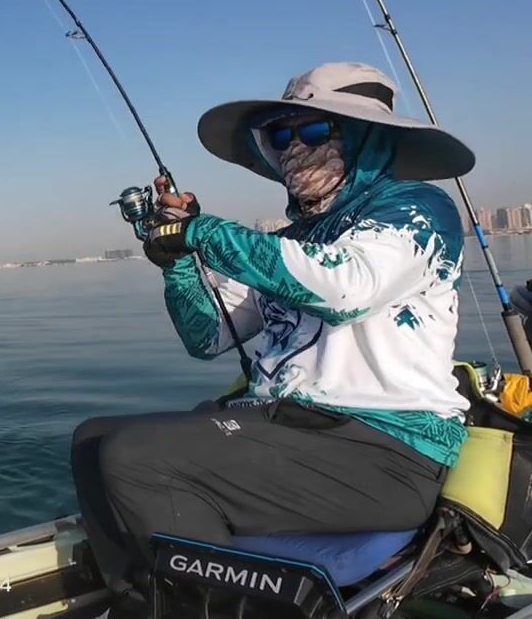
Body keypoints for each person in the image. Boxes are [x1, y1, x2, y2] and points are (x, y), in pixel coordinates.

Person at [71, 62, 474, 585]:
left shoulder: (418, 212)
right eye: (280, 135)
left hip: (387, 450)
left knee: (135, 458)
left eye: (315, 130)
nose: (293, 148)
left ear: (367, 138)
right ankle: (140, 596)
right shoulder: (290, 243)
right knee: (93, 440)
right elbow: (207, 335)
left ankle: (213, 604)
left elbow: (345, 289)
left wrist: (204, 232)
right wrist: (179, 263)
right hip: (294, 429)